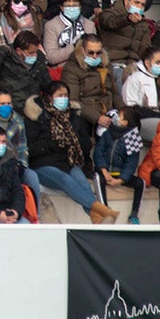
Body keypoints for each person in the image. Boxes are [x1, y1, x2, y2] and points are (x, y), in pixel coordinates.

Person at [24, 80, 117, 223]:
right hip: (43, 164)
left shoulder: (73, 116)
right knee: (65, 180)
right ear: (49, 97)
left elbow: (85, 144)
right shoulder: (36, 116)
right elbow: (30, 147)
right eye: (59, 95)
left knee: (84, 184)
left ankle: (97, 219)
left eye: (65, 95)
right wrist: (50, 143)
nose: (63, 98)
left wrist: (76, 143)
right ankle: (103, 210)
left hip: (69, 161)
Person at [63, 33, 124, 132]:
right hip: (87, 116)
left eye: (98, 53)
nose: (95, 56)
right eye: (90, 53)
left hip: (109, 111)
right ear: (82, 50)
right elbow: (73, 101)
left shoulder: (106, 65)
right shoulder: (71, 68)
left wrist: (124, 110)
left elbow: (114, 93)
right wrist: (97, 118)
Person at [94, 107, 144, 224]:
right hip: (105, 172)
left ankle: (134, 215)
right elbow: (98, 152)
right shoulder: (107, 133)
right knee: (97, 177)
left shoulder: (133, 138)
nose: (115, 118)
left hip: (120, 173)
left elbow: (131, 162)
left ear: (125, 122)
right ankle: (105, 210)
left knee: (140, 183)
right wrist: (104, 171)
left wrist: (121, 180)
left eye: (119, 116)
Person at [43, 0, 95, 75]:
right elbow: (50, 57)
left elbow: (95, 50)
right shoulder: (51, 25)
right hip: (63, 69)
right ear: (61, 7)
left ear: (80, 7)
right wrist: (75, 46)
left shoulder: (89, 25)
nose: (72, 9)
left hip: (86, 68)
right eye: (68, 6)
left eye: (75, 6)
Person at [121, 46, 160, 134]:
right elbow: (131, 106)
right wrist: (157, 115)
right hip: (140, 119)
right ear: (147, 63)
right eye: (157, 62)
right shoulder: (135, 78)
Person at [97, 0, 151, 64]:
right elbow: (110, 22)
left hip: (134, 65)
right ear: (126, 1)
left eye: (142, 5)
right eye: (136, 2)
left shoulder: (144, 24)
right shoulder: (110, 13)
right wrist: (127, 19)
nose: (139, 7)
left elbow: (145, 49)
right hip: (112, 62)